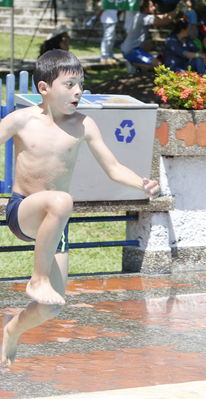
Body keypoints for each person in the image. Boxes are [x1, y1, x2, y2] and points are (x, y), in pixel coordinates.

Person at [0, 50, 160, 366]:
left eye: (81, 84)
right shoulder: (21, 120)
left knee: (53, 306)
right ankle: (38, 278)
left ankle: (12, 331)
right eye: (69, 84)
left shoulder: (83, 124)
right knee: (61, 200)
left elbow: (113, 167)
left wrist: (141, 183)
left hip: (55, 224)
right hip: (24, 211)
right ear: (44, 88)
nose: (78, 92)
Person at [120, 0, 180, 72]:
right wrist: (178, 9)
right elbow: (163, 21)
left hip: (136, 49)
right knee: (157, 64)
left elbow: (162, 17)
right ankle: (133, 64)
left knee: (151, 49)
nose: (154, 8)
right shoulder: (141, 18)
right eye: (152, 6)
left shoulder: (141, 16)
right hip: (131, 51)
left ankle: (139, 68)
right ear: (145, 8)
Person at [98, 1, 120, 65]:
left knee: (112, 38)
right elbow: (100, 4)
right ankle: (104, 57)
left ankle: (110, 55)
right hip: (107, 19)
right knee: (107, 38)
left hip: (113, 19)